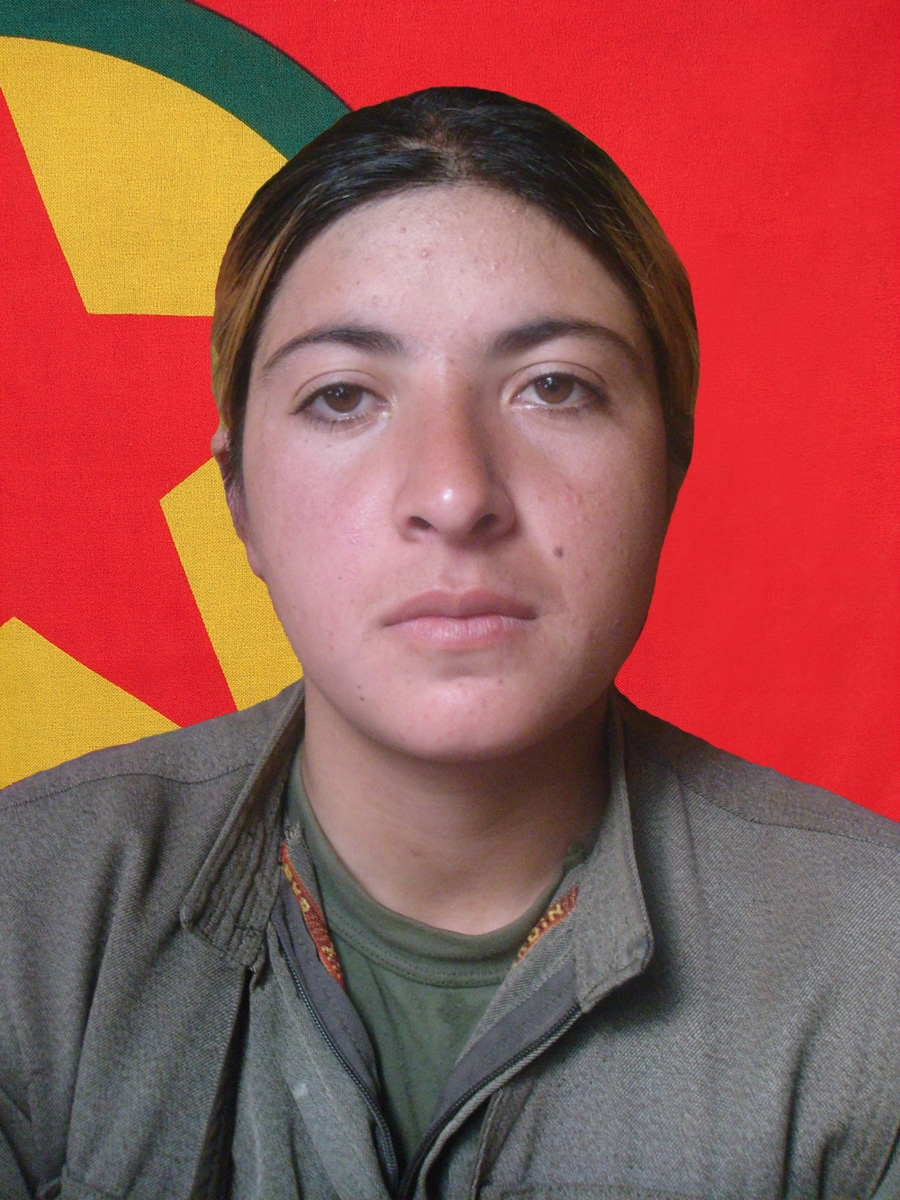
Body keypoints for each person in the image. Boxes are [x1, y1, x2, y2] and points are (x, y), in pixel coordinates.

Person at [1, 87, 898, 1200]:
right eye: (343, 397)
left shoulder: (874, 965)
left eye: (554, 387)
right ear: (238, 498)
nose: (454, 492)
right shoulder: (29, 920)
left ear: (669, 468)